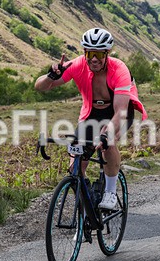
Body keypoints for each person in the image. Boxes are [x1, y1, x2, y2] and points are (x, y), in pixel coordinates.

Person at [35, 27, 147, 209]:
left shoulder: (119, 69)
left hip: (119, 112)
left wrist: (106, 135)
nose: (94, 59)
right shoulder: (77, 65)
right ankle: (88, 196)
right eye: (90, 53)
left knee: (108, 143)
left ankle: (110, 192)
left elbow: (120, 112)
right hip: (91, 113)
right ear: (84, 52)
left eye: (99, 54)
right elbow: (40, 87)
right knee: (75, 164)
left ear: (107, 53)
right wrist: (51, 76)